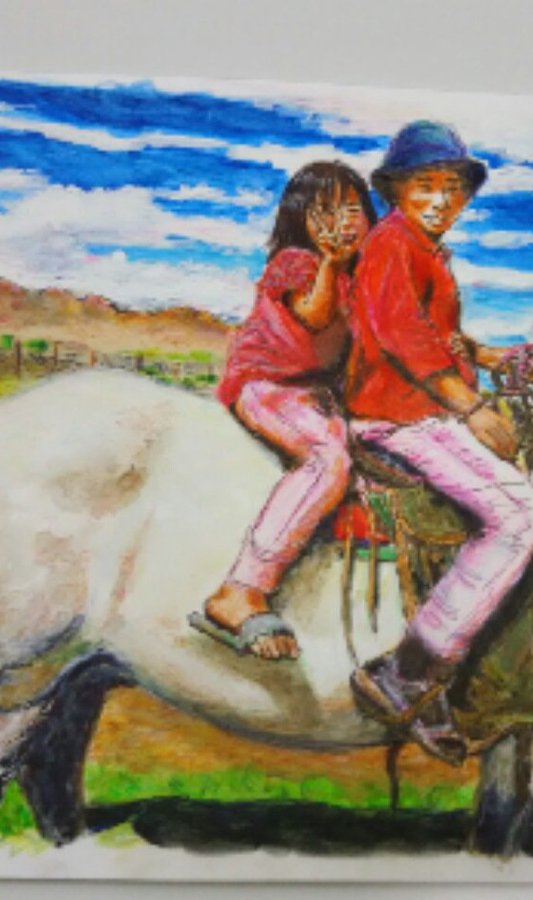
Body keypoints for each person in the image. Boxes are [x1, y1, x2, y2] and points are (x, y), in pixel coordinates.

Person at [345, 121, 533, 761]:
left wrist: (495, 358)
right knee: (521, 515)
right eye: (425, 185)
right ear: (396, 191)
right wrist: (473, 407)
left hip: (425, 411)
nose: (441, 200)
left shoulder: (424, 250)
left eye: (453, 188)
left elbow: (441, 337)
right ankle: (408, 671)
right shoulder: (391, 244)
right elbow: (402, 336)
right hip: (397, 415)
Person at [190, 161, 376, 660]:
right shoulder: (296, 264)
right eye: (324, 212)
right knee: (326, 459)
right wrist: (330, 262)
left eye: (352, 209)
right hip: (269, 384)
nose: (341, 222)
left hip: (317, 393)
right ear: (299, 220)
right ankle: (242, 588)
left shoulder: (361, 280)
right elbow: (313, 315)